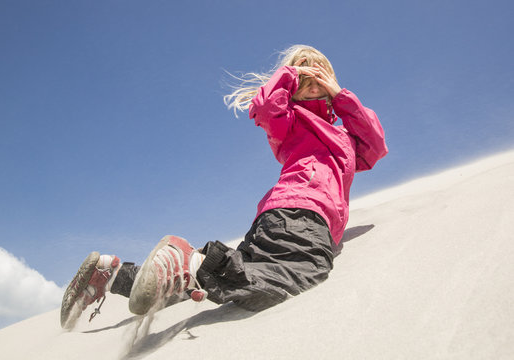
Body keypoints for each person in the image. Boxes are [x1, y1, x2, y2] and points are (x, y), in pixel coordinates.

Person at [60, 44, 388, 328]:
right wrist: (290, 73)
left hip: (290, 220)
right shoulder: (291, 121)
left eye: (321, 73)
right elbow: (264, 107)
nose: (313, 78)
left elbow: (374, 147)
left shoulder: (343, 136)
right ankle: (189, 261)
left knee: (230, 275)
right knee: (296, 276)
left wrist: (340, 95)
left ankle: (110, 274)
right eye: (305, 75)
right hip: (301, 212)